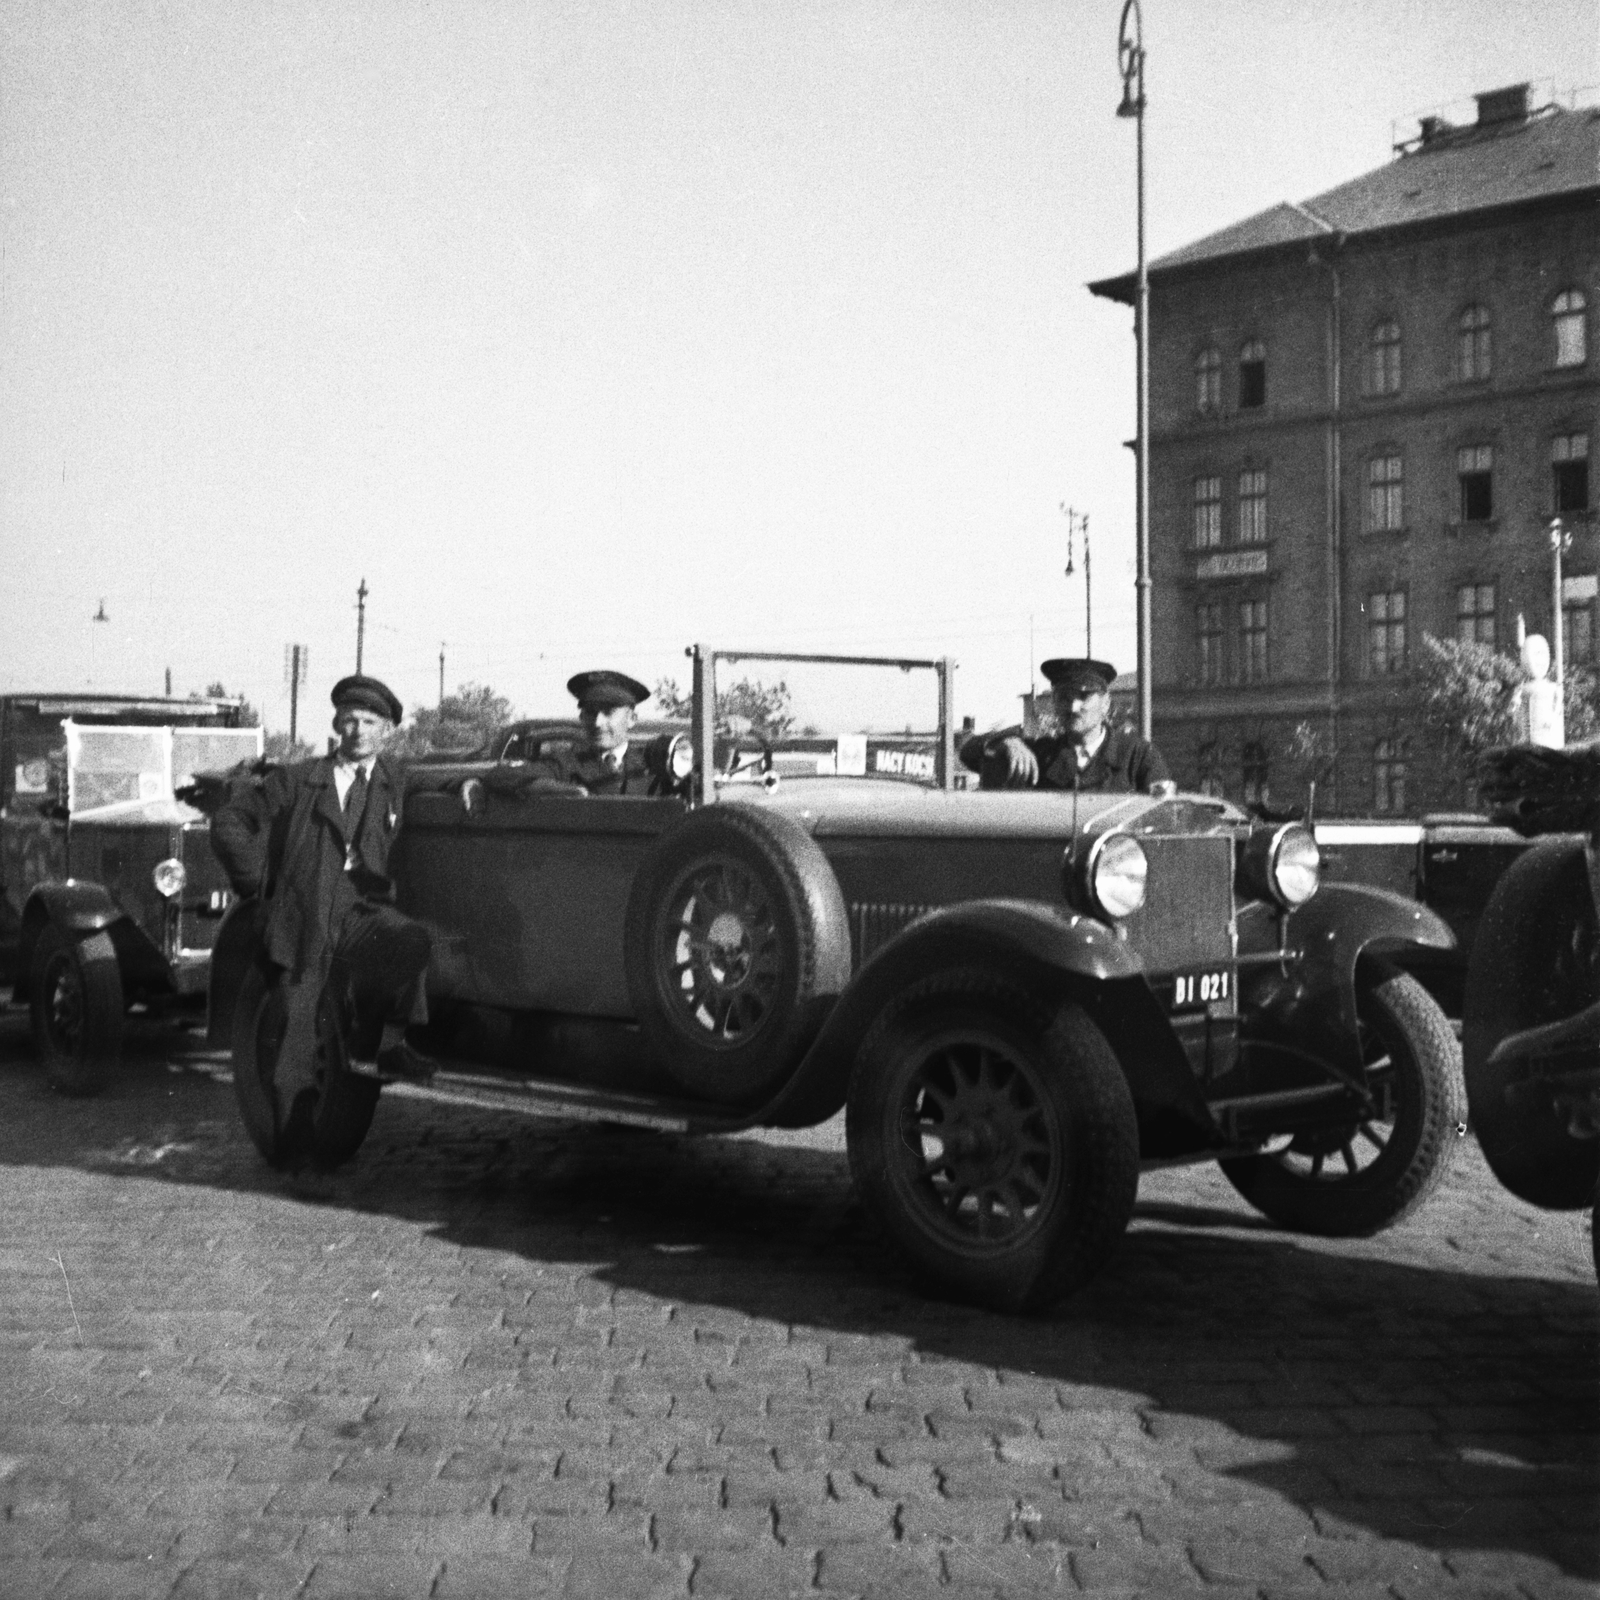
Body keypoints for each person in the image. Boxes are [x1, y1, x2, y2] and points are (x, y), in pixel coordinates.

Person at [211, 673, 432, 1080]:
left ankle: (387, 1045)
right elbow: (229, 821)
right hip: (306, 915)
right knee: (298, 1037)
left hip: (359, 909)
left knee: (412, 941)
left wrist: (473, 783)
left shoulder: (393, 779)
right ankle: (291, 1132)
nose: (358, 731)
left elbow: (449, 777)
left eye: (369, 723)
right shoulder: (297, 779)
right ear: (335, 725)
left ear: (386, 731)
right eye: (350, 720)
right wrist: (260, 888)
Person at [961, 658, 1174, 795]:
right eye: (1064, 698)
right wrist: (1006, 741)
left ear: (1106, 703)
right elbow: (968, 752)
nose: (1073, 707)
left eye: (1083, 697)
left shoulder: (1136, 756)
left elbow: (1162, 817)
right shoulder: (1041, 754)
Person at [528, 670, 655, 795]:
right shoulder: (563, 764)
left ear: (631, 719)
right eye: (590, 712)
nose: (597, 722)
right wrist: (550, 787)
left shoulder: (656, 765)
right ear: (581, 718)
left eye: (608, 712)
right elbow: (513, 778)